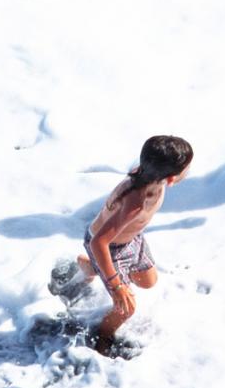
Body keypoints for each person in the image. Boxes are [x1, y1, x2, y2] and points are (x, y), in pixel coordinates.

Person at [64, 135, 193, 352]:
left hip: (131, 239)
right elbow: (98, 242)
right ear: (172, 179)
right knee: (126, 308)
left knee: (148, 281)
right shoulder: (135, 203)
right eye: (187, 168)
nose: (188, 171)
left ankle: (91, 266)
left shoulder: (149, 174)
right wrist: (117, 287)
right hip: (107, 247)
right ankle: (102, 337)